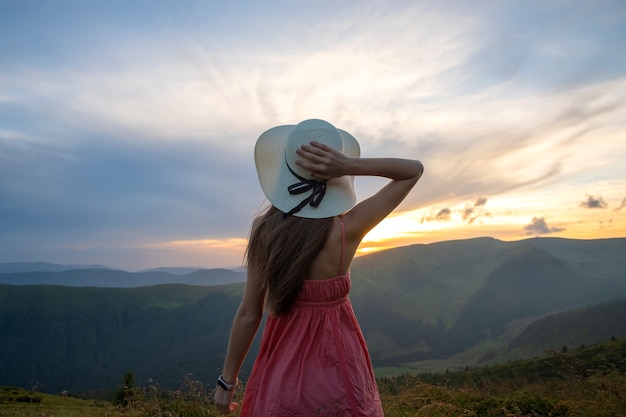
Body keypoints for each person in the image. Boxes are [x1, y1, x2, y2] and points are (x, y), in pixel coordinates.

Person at [214, 119, 424, 416]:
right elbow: (412, 170)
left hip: (283, 363)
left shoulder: (266, 231)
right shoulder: (347, 228)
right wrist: (349, 165)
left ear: (284, 172)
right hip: (340, 361)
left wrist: (227, 382)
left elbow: (250, 313)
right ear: (335, 174)